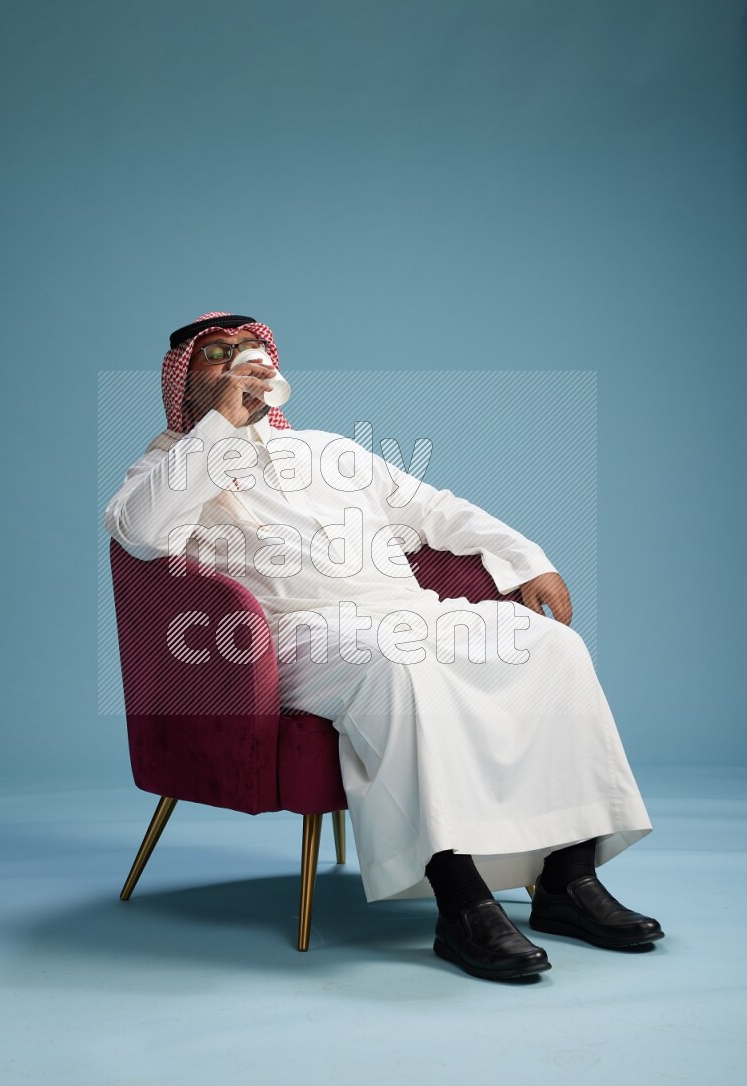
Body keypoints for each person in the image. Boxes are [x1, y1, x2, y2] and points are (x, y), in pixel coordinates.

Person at [104, 310, 664, 981]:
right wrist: (218, 427)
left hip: (405, 610)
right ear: (186, 377)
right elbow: (141, 536)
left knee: (549, 649)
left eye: (250, 351)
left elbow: (438, 510)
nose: (239, 363)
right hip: (293, 636)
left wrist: (526, 559)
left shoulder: (325, 450)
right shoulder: (164, 466)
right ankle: (460, 905)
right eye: (218, 354)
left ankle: (568, 880)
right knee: (398, 669)